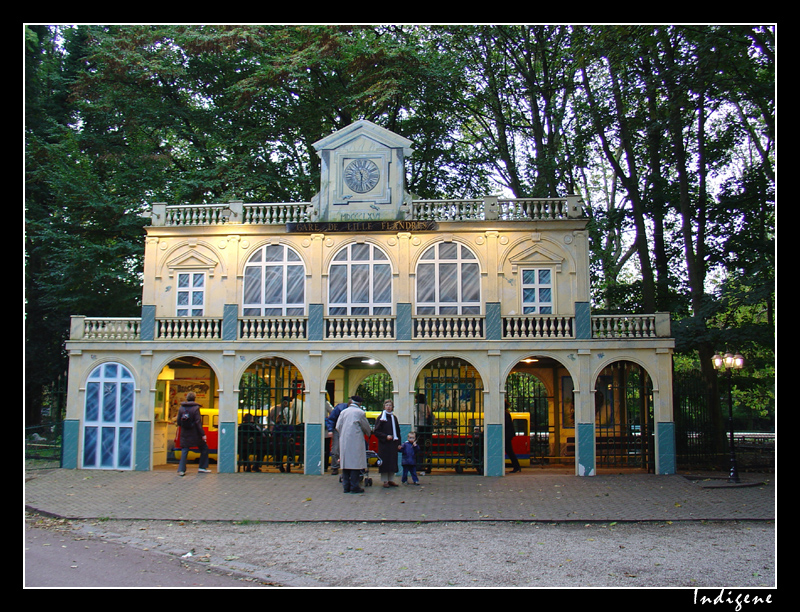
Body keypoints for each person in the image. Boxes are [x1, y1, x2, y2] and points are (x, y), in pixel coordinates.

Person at [335, 396, 371, 494]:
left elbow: (338, 426)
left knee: (346, 464)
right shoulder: (360, 413)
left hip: (344, 441)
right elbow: (366, 427)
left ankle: (346, 486)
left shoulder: (344, 412)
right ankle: (355, 486)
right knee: (355, 464)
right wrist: (368, 433)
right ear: (359, 403)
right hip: (356, 441)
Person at [176, 392, 211, 476]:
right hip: (195, 434)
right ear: (194, 398)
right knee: (204, 448)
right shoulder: (196, 408)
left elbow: (178, 422)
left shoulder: (181, 408)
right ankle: (202, 467)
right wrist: (202, 434)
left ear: (187, 398)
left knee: (185, 450)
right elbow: (198, 422)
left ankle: (181, 470)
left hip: (184, 433)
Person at [325, 396, 357, 475]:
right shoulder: (339, 408)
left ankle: (347, 466)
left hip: (349, 429)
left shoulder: (342, 408)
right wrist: (330, 430)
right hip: (338, 429)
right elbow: (331, 419)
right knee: (336, 448)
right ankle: (335, 467)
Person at [373, 399, 401, 488]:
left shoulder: (394, 418)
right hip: (384, 444)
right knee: (384, 462)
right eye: (387, 405)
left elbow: (398, 431)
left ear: (392, 407)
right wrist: (385, 436)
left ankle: (391, 480)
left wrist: (399, 443)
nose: (389, 407)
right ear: (384, 407)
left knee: (392, 461)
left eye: (390, 405)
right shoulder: (381, 418)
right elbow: (376, 431)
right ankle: (385, 480)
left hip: (393, 444)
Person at [505, 404, 521, 473]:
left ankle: (516, 466)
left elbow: (505, 424)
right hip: (508, 435)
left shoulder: (504, 414)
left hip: (506, 436)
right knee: (509, 451)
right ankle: (517, 466)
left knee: (509, 451)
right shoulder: (506, 413)